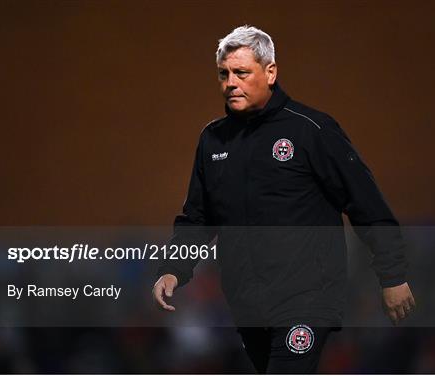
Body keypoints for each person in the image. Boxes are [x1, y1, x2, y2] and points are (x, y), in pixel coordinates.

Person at [152, 25, 416, 373]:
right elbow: (198, 219)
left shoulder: (310, 130)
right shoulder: (213, 141)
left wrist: (392, 274)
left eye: (241, 73)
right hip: (247, 302)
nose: (231, 82)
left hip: (307, 297)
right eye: (224, 73)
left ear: (270, 72)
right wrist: (173, 267)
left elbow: (365, 202)